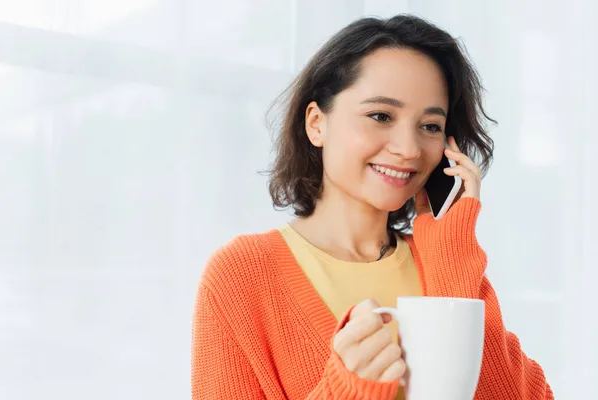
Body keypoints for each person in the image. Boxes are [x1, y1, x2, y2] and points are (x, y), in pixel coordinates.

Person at [191, 14, 553, 400]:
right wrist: (347, 390)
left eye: (430, 126)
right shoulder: (241, 276)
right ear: (316, 123)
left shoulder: (447, 264)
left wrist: (453, 262)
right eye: (380, 116)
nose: (409, 149)